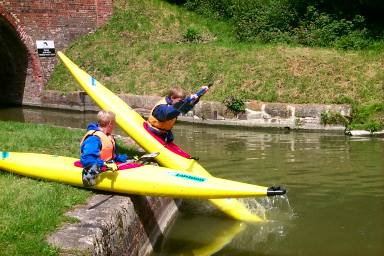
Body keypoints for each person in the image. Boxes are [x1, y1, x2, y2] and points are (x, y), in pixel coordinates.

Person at [80, 110, 129, 187]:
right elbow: (87, 158)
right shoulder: (94, 138)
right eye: (114, 124)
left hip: (104, 163)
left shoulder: (107, 136)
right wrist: (103, 164)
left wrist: (120, 158)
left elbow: (108, 154)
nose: (114, 126)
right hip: (94, 165)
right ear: (110, 124)